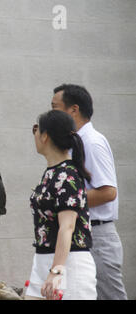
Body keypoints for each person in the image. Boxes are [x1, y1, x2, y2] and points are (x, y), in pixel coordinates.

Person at [51, 84, 127, 300]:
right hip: (83, 234)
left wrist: (64, 202)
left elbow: (108, 192)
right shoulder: (76, 143)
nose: (51, 114)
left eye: (55, 107)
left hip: (98, 237)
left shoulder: (91, 143)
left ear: (73, 110)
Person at [25, 110, 97, 300]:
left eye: (35, 129)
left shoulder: (68, 175)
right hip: (44, 260)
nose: (34, 135)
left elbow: (68, 226)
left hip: (69, 264)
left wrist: (56, 271)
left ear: (45, 135)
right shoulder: (52, 173)